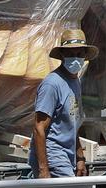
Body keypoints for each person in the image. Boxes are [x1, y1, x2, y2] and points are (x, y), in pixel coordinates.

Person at [32, 28, 94, 179]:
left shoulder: (75, 81)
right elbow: (39, 127)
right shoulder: (52, 84)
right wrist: (43, 169)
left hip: (67, 155)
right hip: (53, 155)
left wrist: (80, 157)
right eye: (70, 54)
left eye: (79, 54)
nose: (75, 58)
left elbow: (72, 123)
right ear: (61, 55)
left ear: (85, 56)